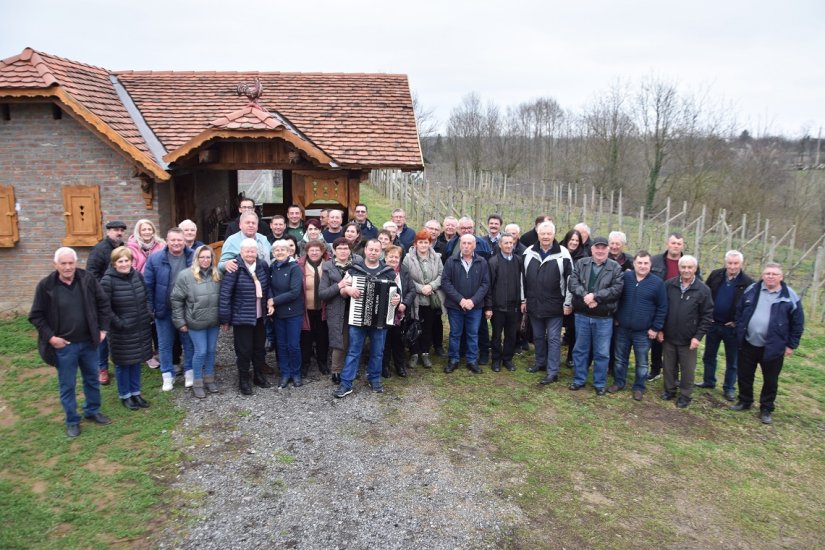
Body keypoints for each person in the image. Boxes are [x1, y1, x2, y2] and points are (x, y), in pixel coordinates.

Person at [29, 247, 112, 438]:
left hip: (89, 342)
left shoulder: (87, 279)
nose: (67, 267)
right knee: (67, 384)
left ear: (76, 263)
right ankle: (72, 420)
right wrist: (51, 338)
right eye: (63, 263)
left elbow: (103, 304)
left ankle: (92, 411)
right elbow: (36, 315)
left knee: (92, 378)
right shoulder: (46, 286)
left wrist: (102, 330)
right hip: (64, 346)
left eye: (71, 263)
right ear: (55, 264)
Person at [731, 262, 804, 424]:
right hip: (749, 342)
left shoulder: (789, 296)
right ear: (763, 275)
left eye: (774, 274)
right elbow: (740, 310)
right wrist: (740, 329)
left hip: (773, 346)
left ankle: (766, 408)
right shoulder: (752, 290)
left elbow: (798, 323)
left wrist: (791, 344)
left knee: (770, 379)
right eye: (767, 273)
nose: (770, 276)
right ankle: (745, 401)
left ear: (781, 277)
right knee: (744, 374)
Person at [333, 238, 401, 398]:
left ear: (381, 252)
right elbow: (342, 291)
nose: (373, 252)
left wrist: (397, 300)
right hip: (357, 320)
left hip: (380, 321)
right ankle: (346, 383)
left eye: (376, 250)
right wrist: (348, 290)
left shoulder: (389, 272)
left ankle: (374, 379)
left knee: (378, 352)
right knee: (353, 351)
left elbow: (397, 297)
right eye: (370, 249)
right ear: (365, 250)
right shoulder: (353, 270)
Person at [568, 236, 624, 395]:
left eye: (603, 248)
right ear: (592, 249)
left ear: (608, 250)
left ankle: (599, 384)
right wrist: (586, 295)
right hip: (582, 315)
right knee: (580, 350)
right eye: (597, 248)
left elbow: (616, 289)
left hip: (603, 318)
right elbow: (573, 282)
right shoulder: (581, 263)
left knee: (602, 352)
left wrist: (596, 297)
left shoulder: (615, 268)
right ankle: (579, 379)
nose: (600, 251)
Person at [697, 250, 754, 401]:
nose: (732, 266)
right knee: (709, 355)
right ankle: (709, 381)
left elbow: (749, 307)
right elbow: (706, 294)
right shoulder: (716, 275)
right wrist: (706, 315)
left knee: (732, 360)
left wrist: (737, 321)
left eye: (736, 263)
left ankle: (729, 388)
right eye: (730, 263)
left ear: (741, 264)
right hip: (713, 324)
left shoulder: (748, 283)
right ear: (725, 262)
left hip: (732, 328)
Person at [100, 246, 153, 410]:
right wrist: (119, 323)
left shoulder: (137, 276)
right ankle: (126, 395)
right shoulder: (107, 281)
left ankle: (136, 392)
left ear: (131, 261)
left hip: (140, 327)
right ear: (114, 264)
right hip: (121, 331)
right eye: (120, 261)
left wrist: (148, 313)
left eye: (127, 260)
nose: (124, 264)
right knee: (123, 364)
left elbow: (146, 296)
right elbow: (104, 308)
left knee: (136, 361)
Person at [610, 251, 667, 401]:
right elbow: (617, 298)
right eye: (639, 263)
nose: (642, 266)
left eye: (646, 263)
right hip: (622, 328)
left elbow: (662, 307)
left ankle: (639, 387)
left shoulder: (657, 283)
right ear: (634, 264)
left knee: (642, 362)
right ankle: (619, 382)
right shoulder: (625, 278)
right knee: (620, 358)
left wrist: (655, 328)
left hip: (643, 331)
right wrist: (616, 317)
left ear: (650, 265)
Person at [144, 227, 195, 391]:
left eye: (179, 240)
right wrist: (150, 308)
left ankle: (189, 372)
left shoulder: (193, 256)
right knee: (165, 345)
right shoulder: (155, 259)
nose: (176, 243)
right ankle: (167, 375)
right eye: (173, 240)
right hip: (163, 310)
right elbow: (148, 285)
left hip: (187, 310)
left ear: (184, 241)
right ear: (167, 241)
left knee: (189, 343)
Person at [219, 238, 273, 395]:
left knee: (258, 348)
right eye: (247, 251)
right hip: (242, 317)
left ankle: (258, 375)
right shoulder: (235, 267)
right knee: (244, 351)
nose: (250, 253)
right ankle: (243, 379)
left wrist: (269, 300)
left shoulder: (262, 265)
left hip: (260, 316)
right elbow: (225, 294)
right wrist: (225, 319)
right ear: (241, 252)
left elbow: (267, 286)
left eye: (253, 250)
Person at [659, 255, 713, 408]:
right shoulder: (669, 285)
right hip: (669, 335)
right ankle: (669, 390)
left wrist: (698, 337)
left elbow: (707, 315)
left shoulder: (703, 290)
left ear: (695, 269)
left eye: (690, 267)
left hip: (689, 338)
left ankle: (685, 395)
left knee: (687, 369)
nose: (686, 270)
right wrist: (660, 329)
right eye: (683, 267)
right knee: (669, 366)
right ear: (679, 268)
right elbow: (662, 309)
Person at [523, 221, 573, 383]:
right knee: (537, 336)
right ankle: (540, 362)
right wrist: (523, 299)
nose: (545, 237)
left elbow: (570, 281)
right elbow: (522, 279)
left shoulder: (563, 254)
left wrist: (568, 303)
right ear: (538, 234)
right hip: (534, 303)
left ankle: (553, 371)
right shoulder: (529, 252)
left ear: (554, 235)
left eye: (549, 234)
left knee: (553, 338)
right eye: (542, 234)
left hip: (555, 305)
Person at [647, 232, 701, 381]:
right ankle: (655, 368)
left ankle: (673, 373)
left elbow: (698, 283)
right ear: (667, 244)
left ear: (682, 245)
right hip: (658, 305)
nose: (675, 246)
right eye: (673, 243)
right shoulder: (656, 261)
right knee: (656, 339)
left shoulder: (688, 263)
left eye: (678, 243)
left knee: (675, 342)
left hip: (680, 306)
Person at [170, 245, 222, 399]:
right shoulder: (185, 276)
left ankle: (209, 378)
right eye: (202, 257)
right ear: (196, 259)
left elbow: (223, 298)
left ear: (212, 259)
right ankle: (197, 382)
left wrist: (224, 319)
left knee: (211, 350)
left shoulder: (217, 274)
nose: (205, 260)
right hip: (195, 322)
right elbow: (176, 299)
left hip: (213, 321)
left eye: (208, 257)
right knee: (201, 351)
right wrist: (180, 322)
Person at [86, 219, 127, 385]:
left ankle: (121, 359)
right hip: (104, 298)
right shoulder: (100, 249)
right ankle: (101, 368)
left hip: (120, 296)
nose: (119, 232)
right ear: (108, 231)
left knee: (118, 330)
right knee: (103, 333)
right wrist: (103, 291)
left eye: (121, 230)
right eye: (115, 230)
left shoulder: (122, 248)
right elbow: (91, 273)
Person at [442, 234, 490, 374]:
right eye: (464, 243)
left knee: (473, 334)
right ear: (460, 245)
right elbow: (446, 282)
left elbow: (485, 284)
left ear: (474, 245)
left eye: (469, 243)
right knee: (455, 334)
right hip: (455, 305)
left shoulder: (482, 262)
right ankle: (453, 360)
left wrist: (472, 301)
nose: (466, 246)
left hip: (475, 307)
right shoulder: (451, 261)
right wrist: (460, 300)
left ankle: (472, 361)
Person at [485, 232, 526, 373]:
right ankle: (496, 359)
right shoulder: (493, 262)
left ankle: (507, 359)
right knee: (496, 335)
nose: (509, 245)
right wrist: (489, 306)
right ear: (500, 244)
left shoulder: (519, 261)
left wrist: (522, 301)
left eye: (511, 243)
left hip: (514, 306)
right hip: (498, 306)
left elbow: (522, 283)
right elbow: (489, 286)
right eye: (506, 243)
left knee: (511, 334)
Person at [403, 229, 444, 368]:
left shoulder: (437, 257)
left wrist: (431, 286)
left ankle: (425, 353)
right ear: (415, 243)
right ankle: (414, 353)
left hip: (431, 299)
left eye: (425, 242)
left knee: (428, 327)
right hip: (415, 299)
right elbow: (406, 277)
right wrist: (421, 288)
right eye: (420, 242)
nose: (423, 245)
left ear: (430, 244)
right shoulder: (408, 258)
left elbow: (441, 275)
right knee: (414, 325)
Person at [319, 238, 355, 385]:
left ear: (350, 250)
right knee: (339, 341)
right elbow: (322, 293)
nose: (343, 251)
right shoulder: (328, 267)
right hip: (336, 310)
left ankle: (350, 369)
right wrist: (339, 286)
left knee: (354, 341)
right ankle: (336, 371)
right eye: (339, 248)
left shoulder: (357, 265)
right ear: (334, 250)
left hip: (354, 308)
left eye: (346, 248)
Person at [269, 239, 305, 388]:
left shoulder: (294, 268)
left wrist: (273, 301)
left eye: (282, 250)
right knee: (281, 345)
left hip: (293, 313)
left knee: (293, 345)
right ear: (273, 253)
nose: (279, 252)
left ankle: (296, 373)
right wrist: (270, 299)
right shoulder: (272, 267)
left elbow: (294, 292)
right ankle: (285, 373)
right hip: (278, 313)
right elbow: (269, 286)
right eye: (276, 250)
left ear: (289, 251)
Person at [381, 245, 416, 377]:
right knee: (385, 341)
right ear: (385, 257)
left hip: (401, 313)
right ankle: (384, 367)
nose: (394, 259)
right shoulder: (381, 270)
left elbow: (412, 290)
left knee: (399, 340)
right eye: (391, 256)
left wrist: (404, 303)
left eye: (396, 257)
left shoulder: (404, 271)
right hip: (385, 312)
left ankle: (399, 366)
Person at [298, 239, 329, 379]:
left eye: (318, 250)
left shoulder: (328, 265)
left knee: (323, 337)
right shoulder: (300, 265)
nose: (315, 252)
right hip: (306, 309)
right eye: (312, 250)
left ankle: (322, 362)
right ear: (307, 251)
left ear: (322, 252)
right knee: (306, 337)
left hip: (323, 309)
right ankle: (305, 363)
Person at [560, 228, 585, 367]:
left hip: (574, 298)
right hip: (557, 295)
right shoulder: (558, 252)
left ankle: (571, 357)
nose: (574, 243)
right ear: (567, 240)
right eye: (572, 240)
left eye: (577, 240)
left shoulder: (583, 257)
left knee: (573, 329)